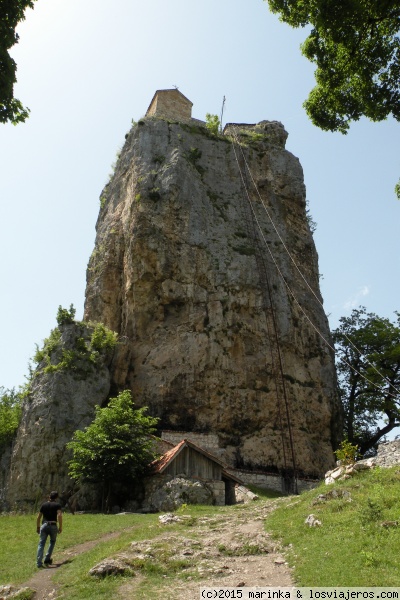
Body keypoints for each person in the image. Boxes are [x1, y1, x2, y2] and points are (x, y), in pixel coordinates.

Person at [36, 490, 63, 568]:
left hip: (44, 525)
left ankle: (39, 563)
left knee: (41, 543)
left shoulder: (44, 505)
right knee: (52, 541)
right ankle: (47, 559)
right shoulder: (57, 505)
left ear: (49, 496)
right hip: (53, 525)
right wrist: (60, 526)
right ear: (56, 497)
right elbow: (60, 515)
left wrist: (38, 527)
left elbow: (38, 517)